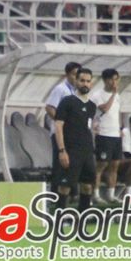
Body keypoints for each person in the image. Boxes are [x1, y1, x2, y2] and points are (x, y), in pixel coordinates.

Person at [54, 68, 97, 216]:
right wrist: (62, 150)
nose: (85, 83)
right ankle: (58, 224)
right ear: (76, 82)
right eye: (82, 80)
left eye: (88, 81)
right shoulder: (68, 102)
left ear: (91, 83)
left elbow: (88, 128)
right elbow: (58, 126)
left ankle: (81, 227)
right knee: (65, 186)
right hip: (71, 151)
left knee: (87, 187)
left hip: (87, 152)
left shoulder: (92, 106)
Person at [45, 61, 81, 192]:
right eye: (73, 74)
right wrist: (62, 122)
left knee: (72, 163)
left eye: (78, 75)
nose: (75, 77)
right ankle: (56, 194)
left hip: (72, 134)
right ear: (67, 74)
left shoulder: (76, 91)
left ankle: (71, 192)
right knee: (60, 163)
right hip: (59, 133)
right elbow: (49, 108)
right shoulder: (61, 89)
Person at [90, 68, 123, 204]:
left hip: (115, 135)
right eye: (111, 79)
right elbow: (104, 108)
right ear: (105, 80)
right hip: (104, 134)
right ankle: (95, 194)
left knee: (114, 165)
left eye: (116, 79)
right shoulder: (97, 95)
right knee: (101, 165)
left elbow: (117, 113)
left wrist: (120, 129)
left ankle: (111, 194)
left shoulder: (118, 97)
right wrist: (113, 94)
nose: (114, 82)